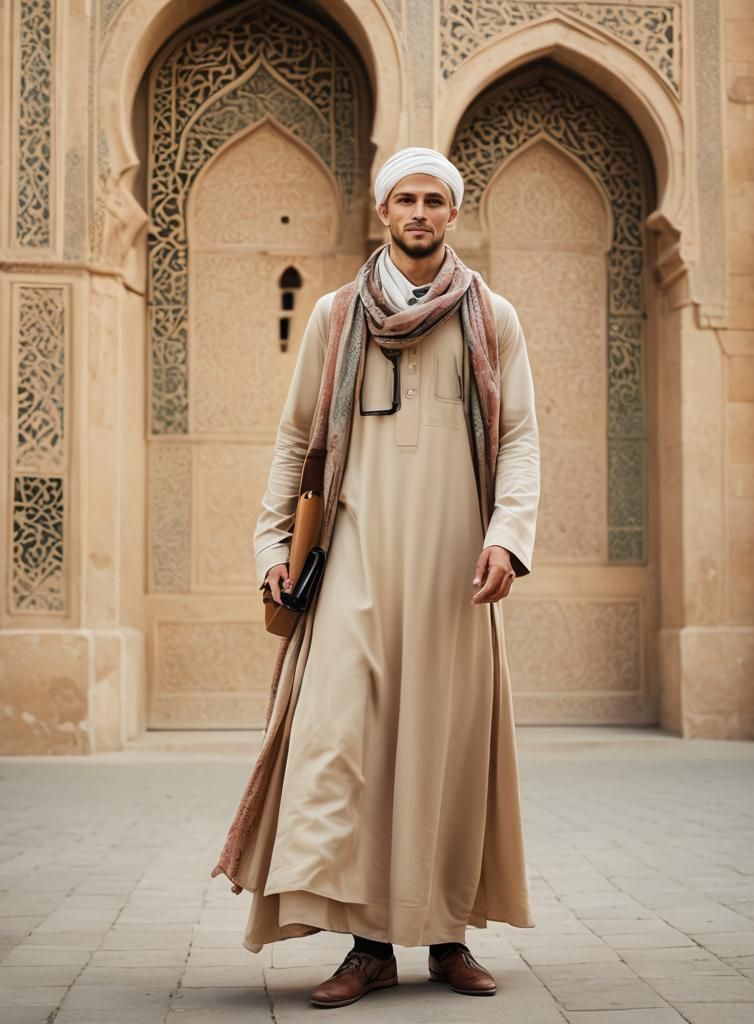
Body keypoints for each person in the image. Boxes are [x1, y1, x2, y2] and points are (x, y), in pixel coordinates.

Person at [211, 147, 541, 1008]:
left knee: (442, 750)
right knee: (342, 741)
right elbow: (294, 439)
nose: (421, 212)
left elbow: (522, 442)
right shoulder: (334, 316)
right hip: (353, 560)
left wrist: (507, 539)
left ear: (454, 216)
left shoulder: (493, 317)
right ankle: (365, 947)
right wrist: (272, 546)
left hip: (454, 570)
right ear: (384, 213)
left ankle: (445, 937)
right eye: (406, 199)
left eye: (435, 200)